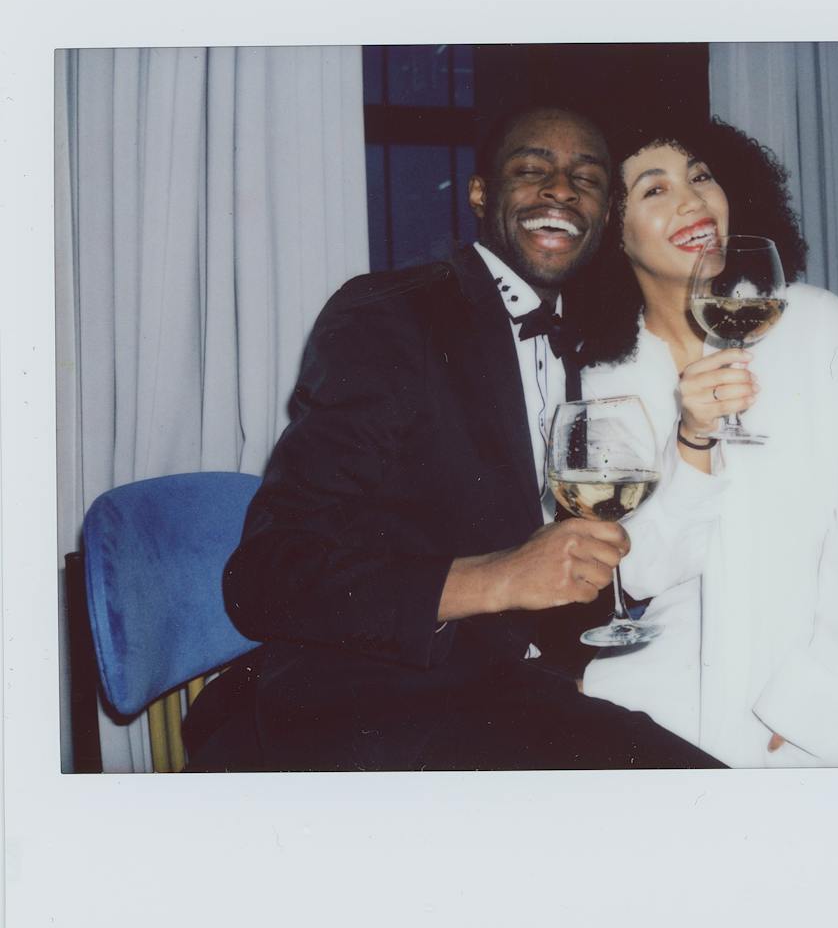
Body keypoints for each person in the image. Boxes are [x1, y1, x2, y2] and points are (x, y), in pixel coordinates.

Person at [184, 106, 724, 771]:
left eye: (585, 179)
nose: (560, 190)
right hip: (378, 708)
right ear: (479, 194)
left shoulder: (592, 343)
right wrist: (498, 578)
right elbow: (266, 577)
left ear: (605, 214)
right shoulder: (392, 316)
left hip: (522, 687)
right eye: (532, 171)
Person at [570, 117, 838, 768]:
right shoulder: (606, 376)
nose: (692, 200)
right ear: (613, 230)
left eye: (701, 175)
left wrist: (816, 694)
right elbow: (639, 573)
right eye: (654, 190)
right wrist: (690, 441)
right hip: (687, 669)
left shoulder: (816, 326)